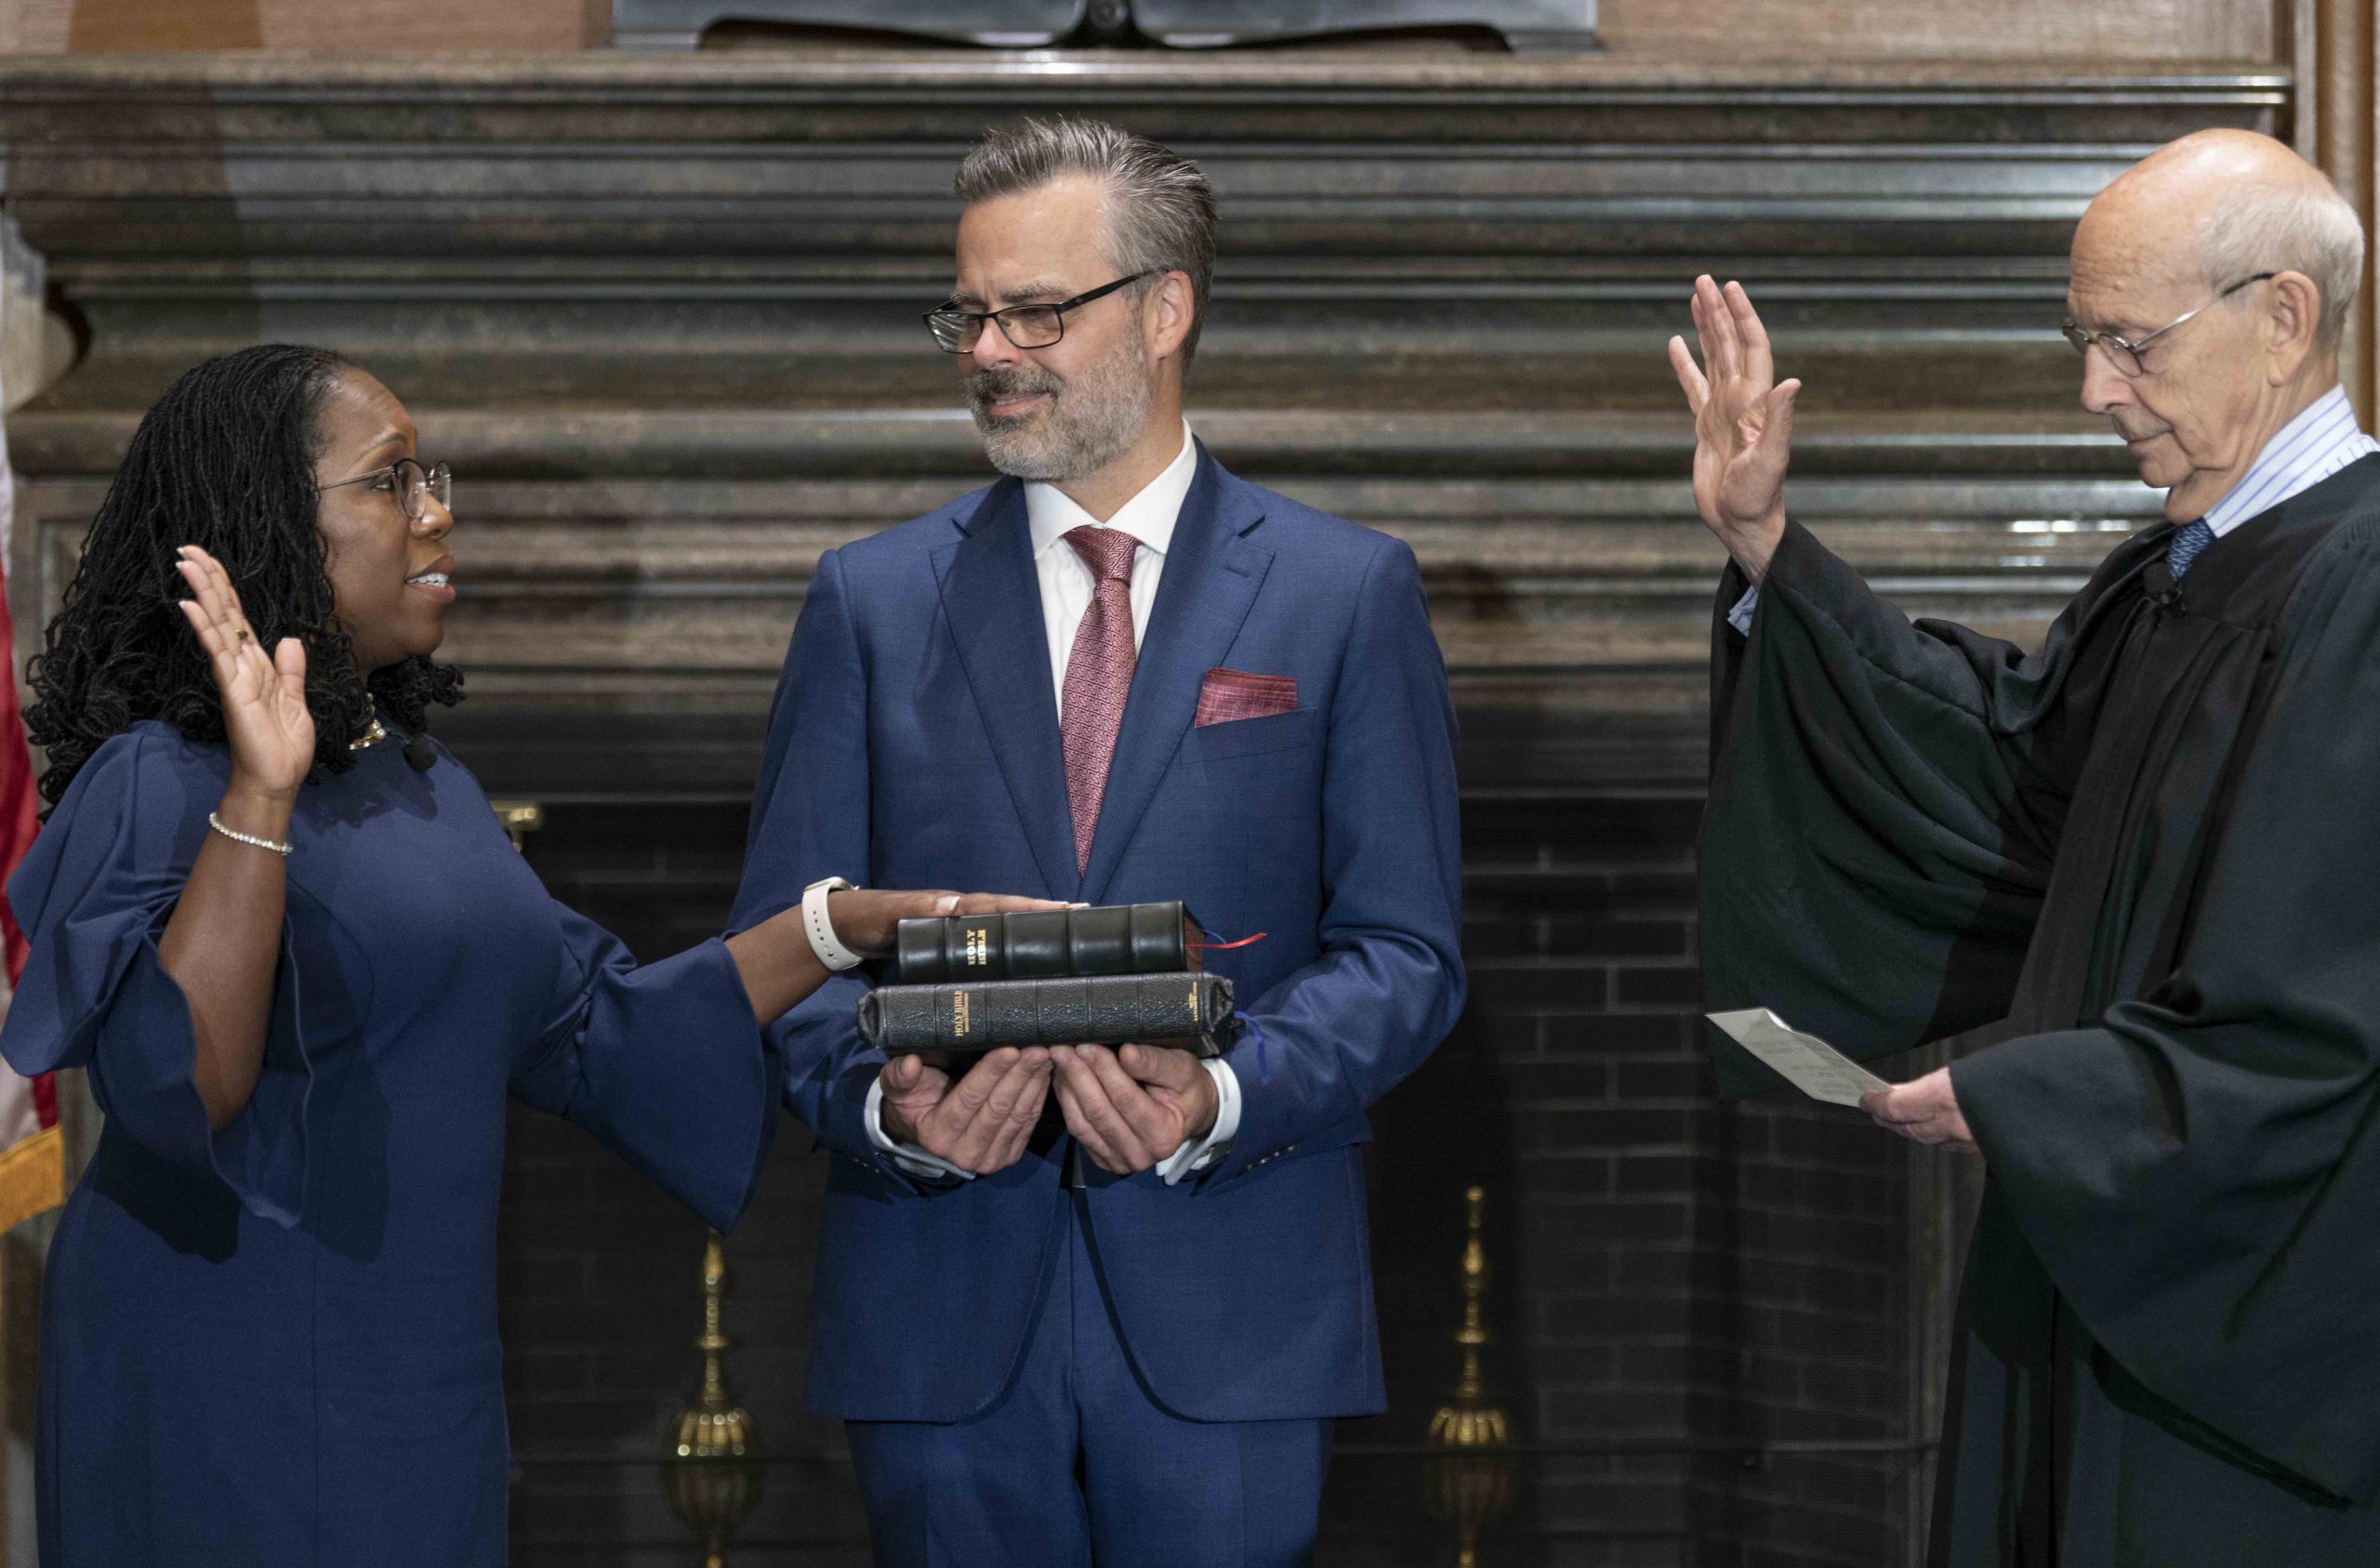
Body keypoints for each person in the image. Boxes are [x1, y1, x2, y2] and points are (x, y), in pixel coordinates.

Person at [1, 344, 1045, 1567]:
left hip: (421, 1396)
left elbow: (601, 1034)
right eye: (391, 481)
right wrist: (263, 795)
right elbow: (180, 1092)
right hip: (218, 1383)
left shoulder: (425, 789)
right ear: (274, 526)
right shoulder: (157, 784)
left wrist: (842, 925)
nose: (437, 511)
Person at [731, 116, 1465, 1566]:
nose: (990, 351)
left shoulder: (1345, 593)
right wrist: (893, 1116)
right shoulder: (869, 604)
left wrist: (1226, 1097)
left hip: (1234, 1313)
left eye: (1037, 312)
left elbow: (1408, 953)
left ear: (1168, 308)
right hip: (940, 1313)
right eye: (971, 314)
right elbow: (792, 949)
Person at [1675, 129, 2380, 1562]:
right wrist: (1770, 552)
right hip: (2096, 1244)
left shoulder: (2357, 596)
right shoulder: (2186, 569)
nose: (2093, 391)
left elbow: (2325, 1004)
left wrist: (2049, 1098)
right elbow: (2011, 776)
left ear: (2283, 319)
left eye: (2130, 344)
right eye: (2083, 340)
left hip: (2232, 1318)